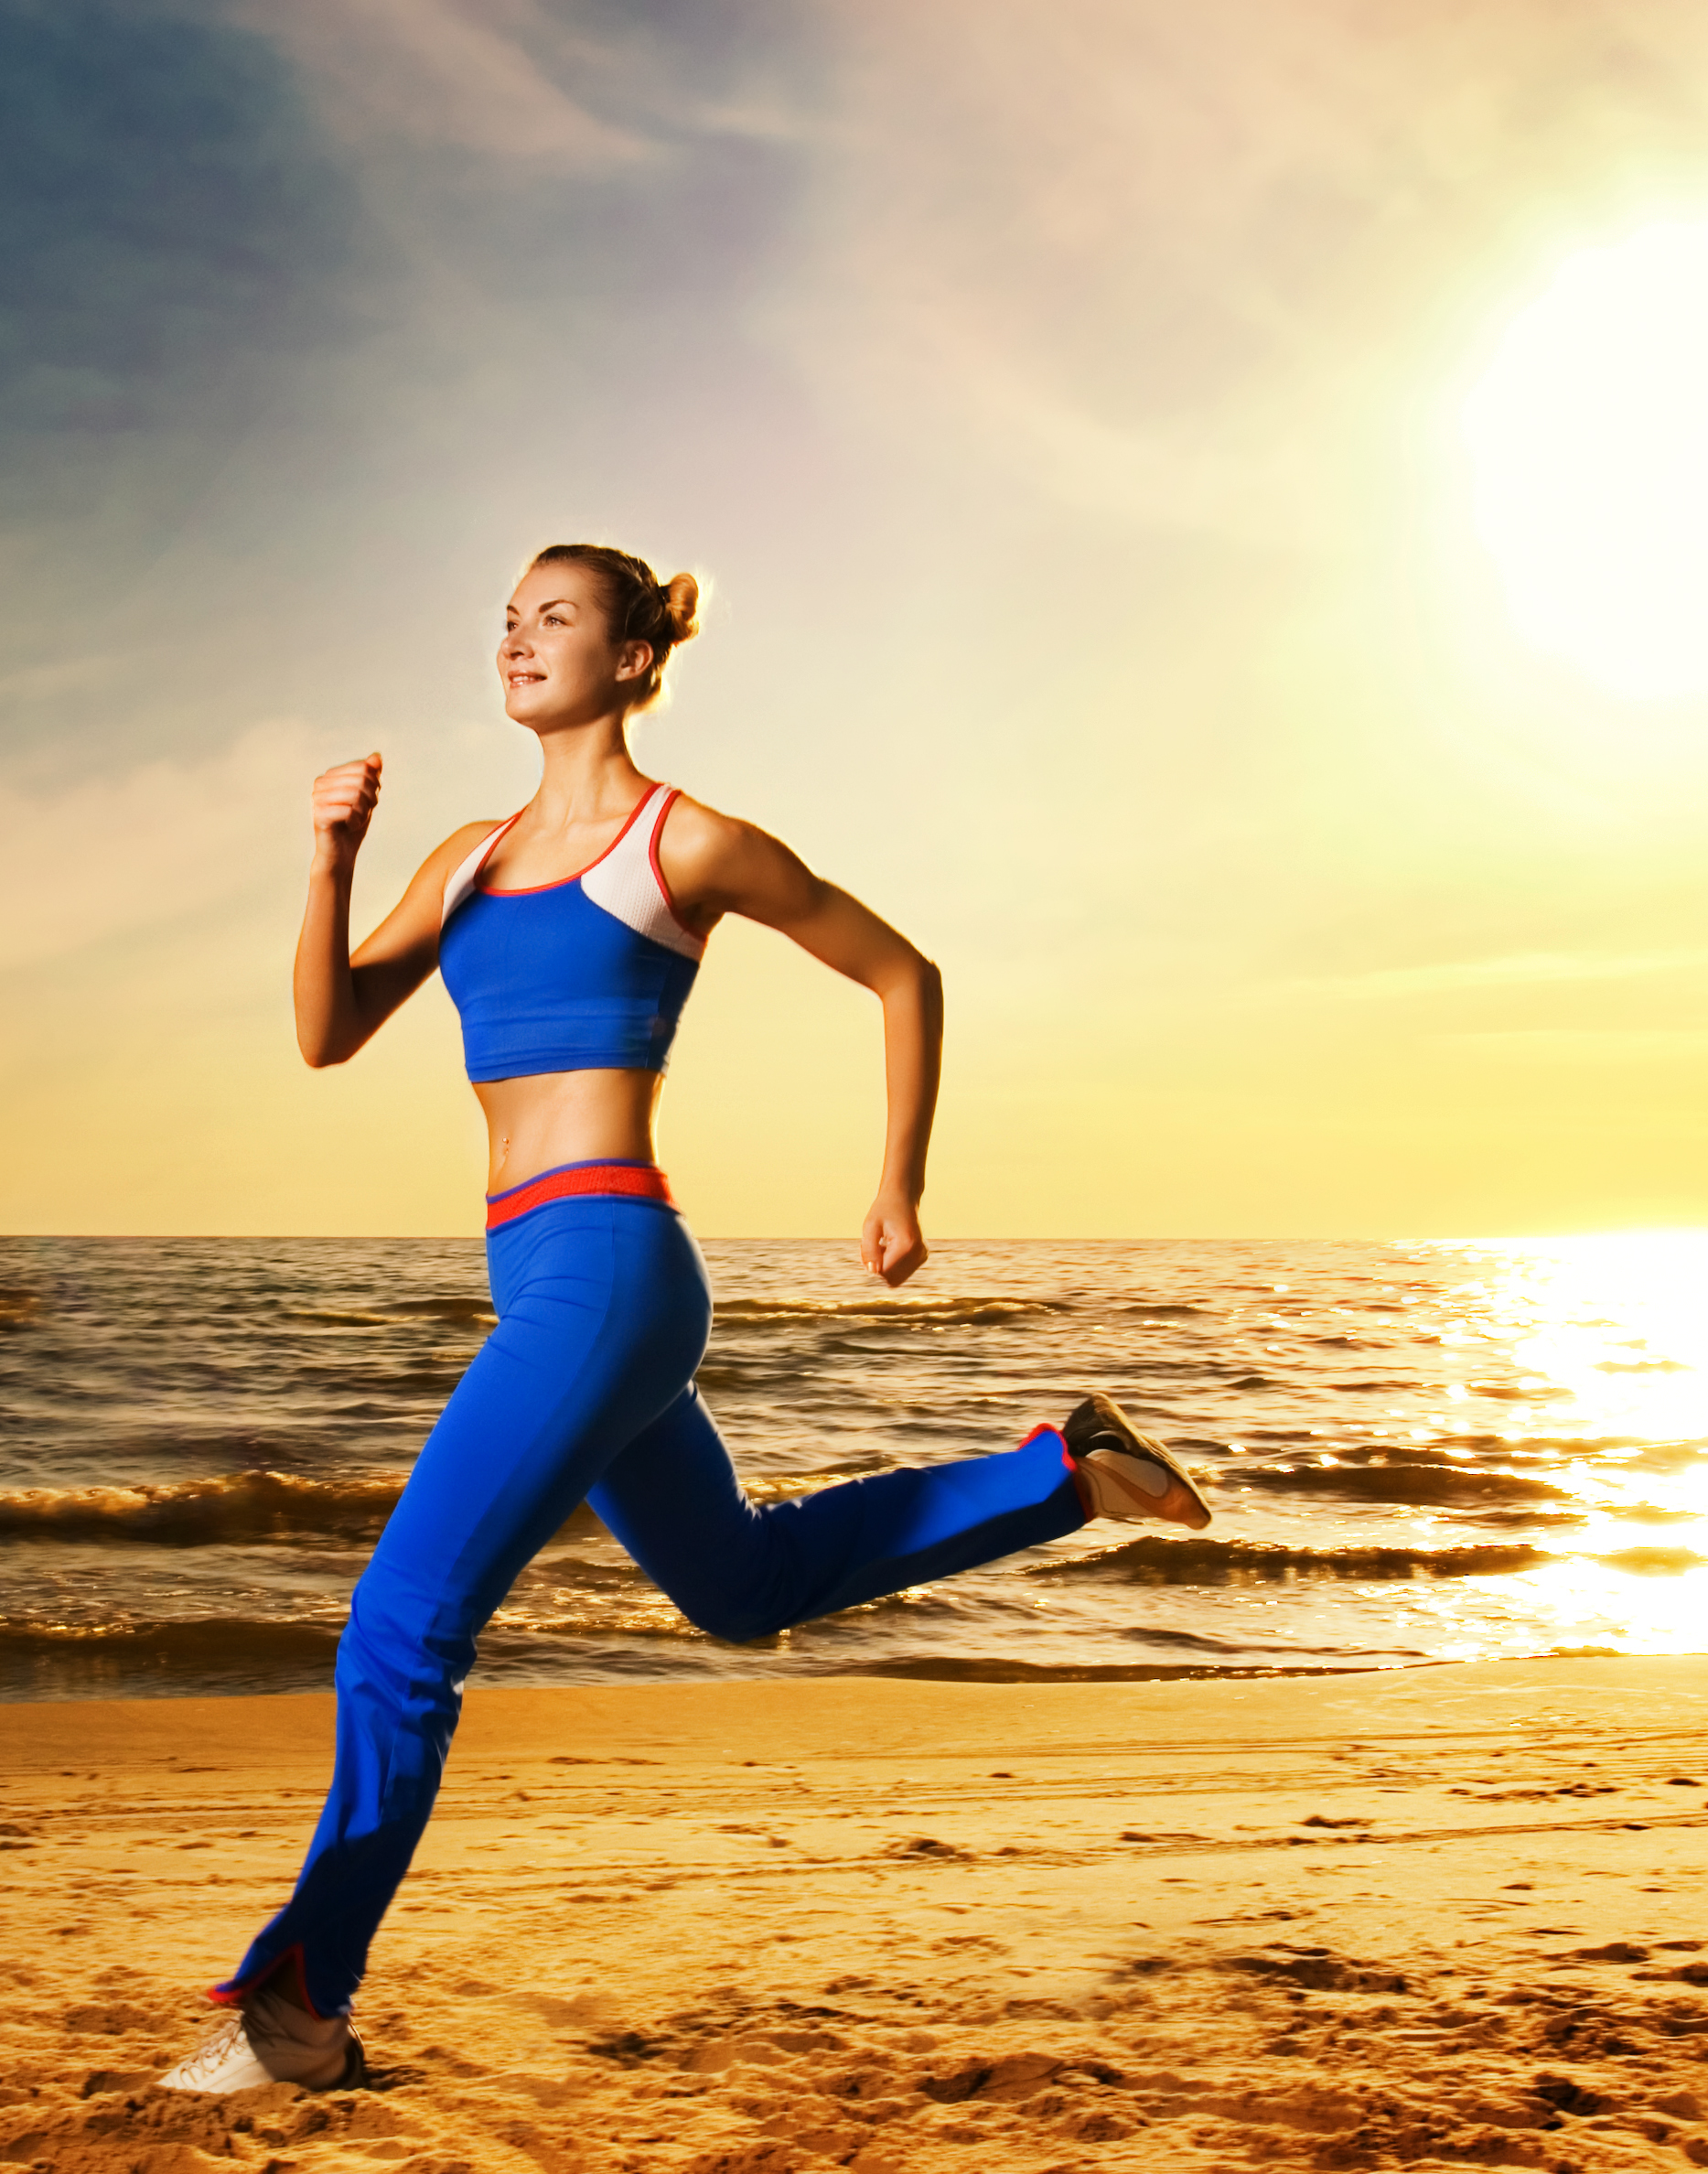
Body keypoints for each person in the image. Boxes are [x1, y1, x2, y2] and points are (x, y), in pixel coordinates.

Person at [158, 543, 1217, 2095]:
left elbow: (900, 971)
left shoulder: (682, 842)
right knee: (738, 1584)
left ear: (636, 657)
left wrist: (898, 1188)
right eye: (506, 619)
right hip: (542, 1273)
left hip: (608, 1262)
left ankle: (303, 2004)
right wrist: (327, 860)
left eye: (557, 618)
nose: (518, 639)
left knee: (401, 1624)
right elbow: (327, 1033)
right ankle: (1063, 1468)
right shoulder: (461, 856)